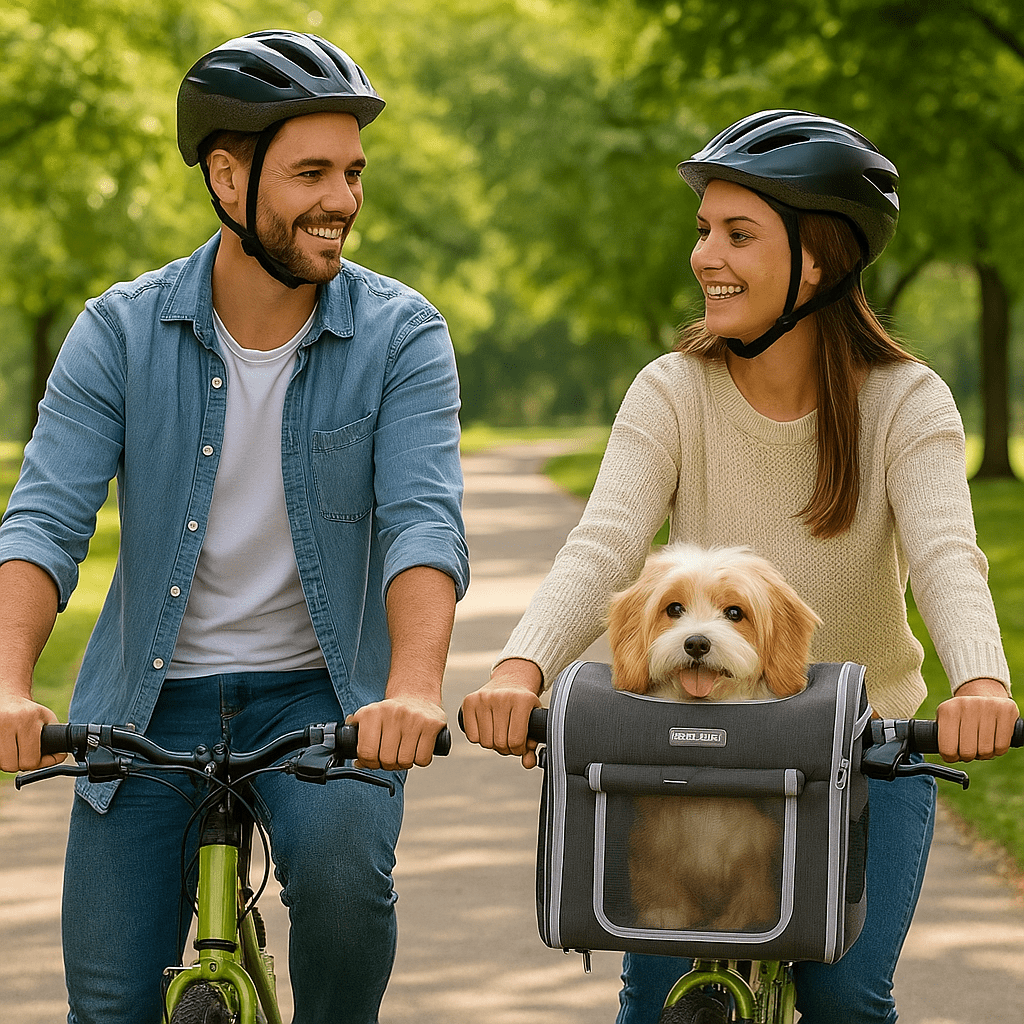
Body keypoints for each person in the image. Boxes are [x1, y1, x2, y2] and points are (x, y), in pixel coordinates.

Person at [461, 109, 1018, 1024]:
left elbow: (947, 556)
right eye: (704, 231)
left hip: (862, 750)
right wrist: (522, 669)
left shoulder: (905, 402)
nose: (704, 255)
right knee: (654, 1001)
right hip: (692, 752)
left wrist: (981, 682)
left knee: (843, 997)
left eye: (738, 233)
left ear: (817, 260)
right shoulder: (672, 390)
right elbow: (604, 546)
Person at [0, 30, 468, 1024]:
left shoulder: (401, 335)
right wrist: (6, 680)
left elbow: (425, 523)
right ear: (227, 175)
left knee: (346, 888)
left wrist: (414, 691)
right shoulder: (119, 332)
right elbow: (44, 522)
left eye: (351, 171)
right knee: (110, 1002)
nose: (342, 198)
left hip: (322, 701)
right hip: (143, 708)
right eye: (311, 172)